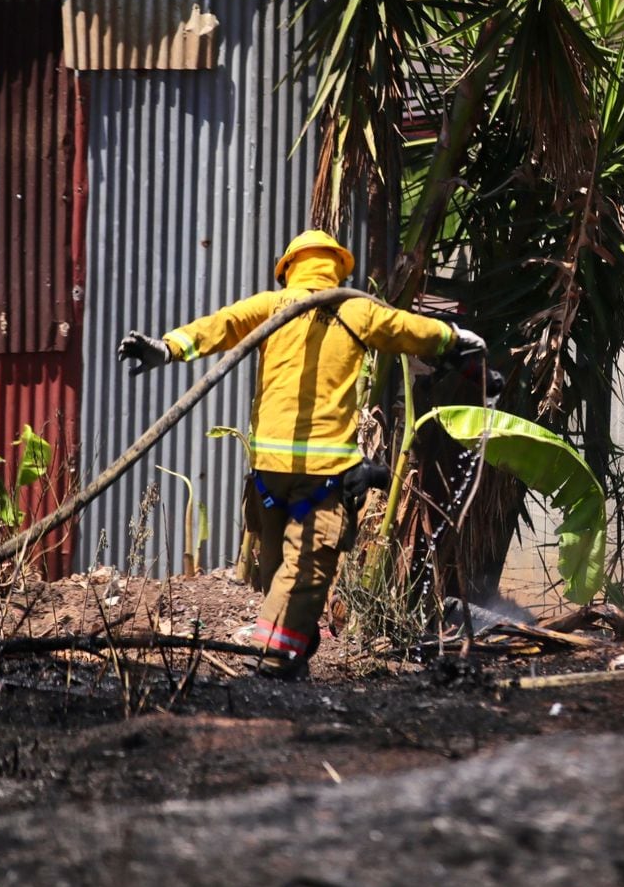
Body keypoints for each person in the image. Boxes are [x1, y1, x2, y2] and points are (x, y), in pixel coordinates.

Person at [119, 229, 483, 679]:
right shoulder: (356, 310)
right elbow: (408, 329)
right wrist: (455, 339)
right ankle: (272, 662)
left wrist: (168, 347)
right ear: (338, 268)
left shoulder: (272, 306)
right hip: (323, 476)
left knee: (278, 572)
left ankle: (292, 652)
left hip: (268, 476)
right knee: (303, 573)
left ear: (289, 268)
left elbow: (220, 325)